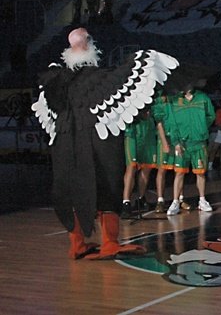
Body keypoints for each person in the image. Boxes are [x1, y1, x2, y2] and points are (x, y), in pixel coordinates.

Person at [31, 27, 178, 259]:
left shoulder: (53, 82)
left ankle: (77, 244)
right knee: (107, 185)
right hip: (97, 143)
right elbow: (144, 69)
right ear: (89, 45)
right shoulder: (102, 78)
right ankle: (109, 242)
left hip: (65, 144)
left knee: (70, 189)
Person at [164, 85, 216, 216]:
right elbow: (171, 122)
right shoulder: (175, 101)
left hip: (199, 142)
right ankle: (175, 202)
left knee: (200, 173)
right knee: (179, 173)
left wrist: (201, 127)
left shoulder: (203, 98)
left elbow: (211, 115)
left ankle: (202, 200)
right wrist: (175, 142)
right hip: (182, 143)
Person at [121, 109, 156, 219]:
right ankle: (126, 202)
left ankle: (141, 198)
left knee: (147, 167)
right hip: (133, 131)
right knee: (131, 167)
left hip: (148, 130)